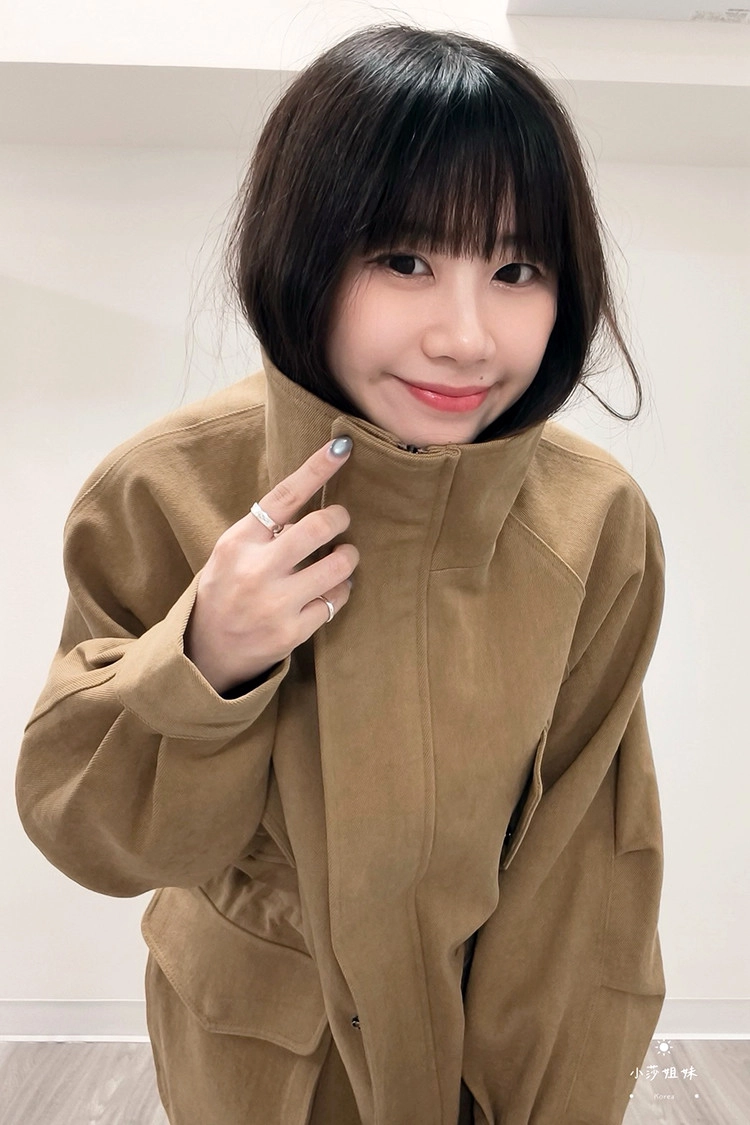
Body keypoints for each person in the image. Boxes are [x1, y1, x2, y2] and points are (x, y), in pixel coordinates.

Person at [15, 22, 668, 1125]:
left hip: (478, 1056)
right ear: (305, 249)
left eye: (516, 270)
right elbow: (96, 833)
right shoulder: (163, 490)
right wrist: (205, 659)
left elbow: (586, 868)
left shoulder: (594, 519)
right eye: (405, 261)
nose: (465, 337)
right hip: (261, 1062)